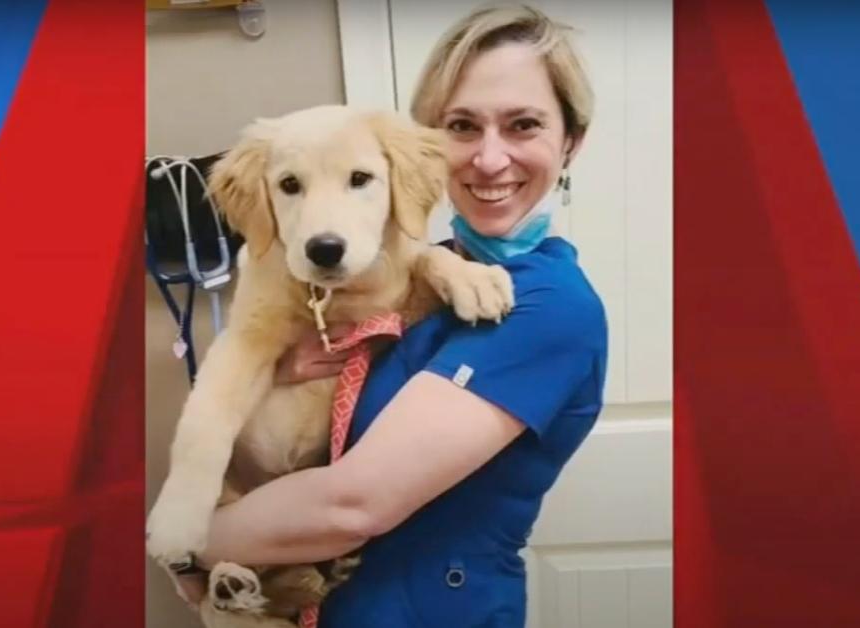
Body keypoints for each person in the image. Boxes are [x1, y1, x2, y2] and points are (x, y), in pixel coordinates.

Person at [193, 5, 606, 626]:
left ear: (570, 141)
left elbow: (351, 506)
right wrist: (278, 370)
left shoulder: (549, 307)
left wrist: (186, 541)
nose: (490, 159)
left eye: (523, 125)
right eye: (462, 127)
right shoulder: (426, 271)